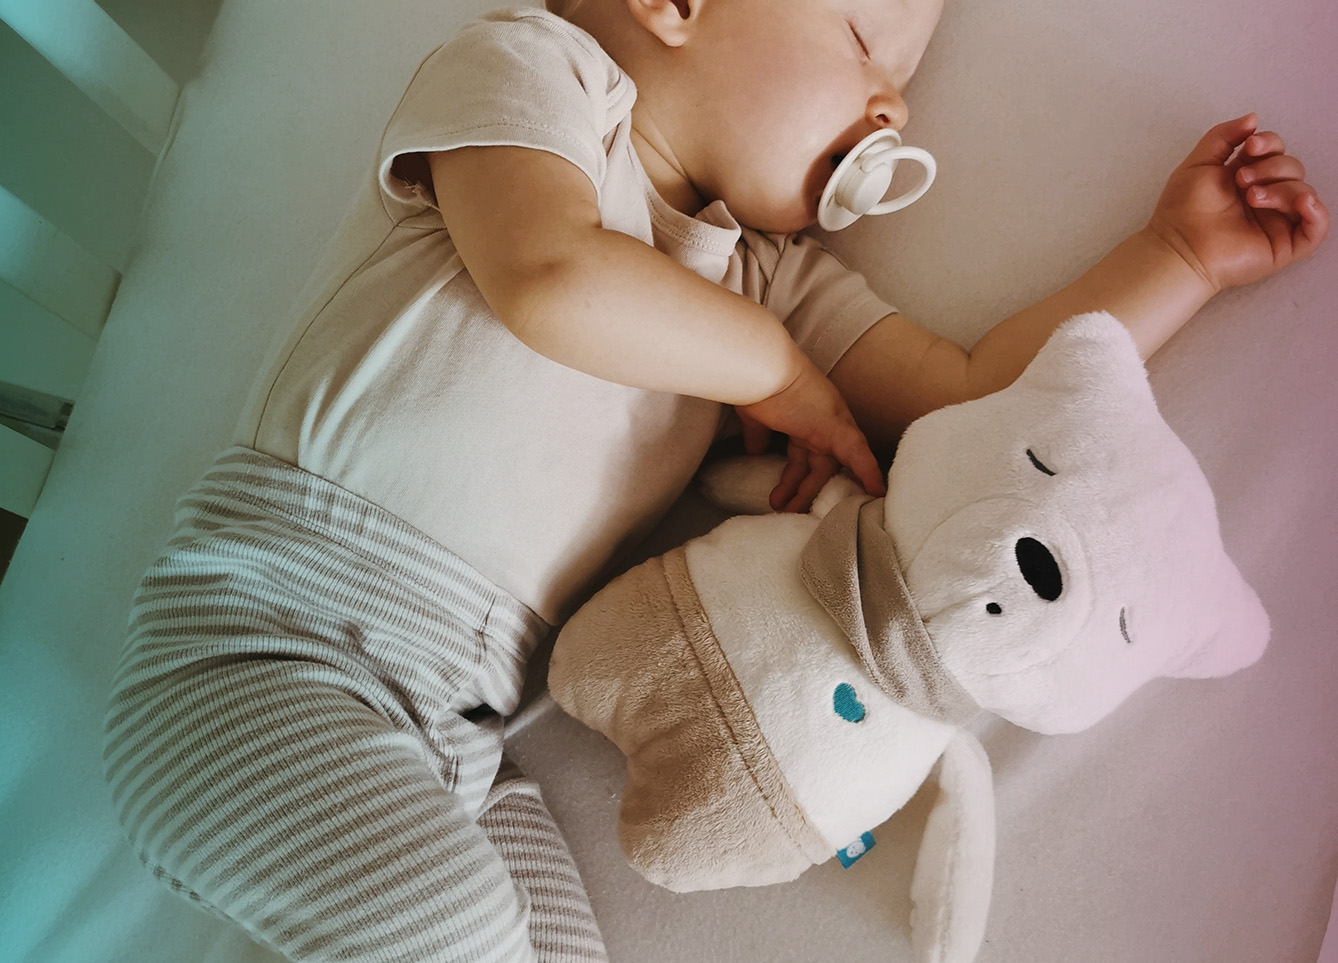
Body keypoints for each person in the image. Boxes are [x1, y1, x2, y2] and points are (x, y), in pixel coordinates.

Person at [102, 0, 1328, 960]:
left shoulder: (767, 278)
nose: (895, 98)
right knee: (458, 941)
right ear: (671, 3)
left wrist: (1174, 259)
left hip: (454, 740)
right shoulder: (537, 81)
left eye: (905, 76)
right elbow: (549, 275)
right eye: (862, 40)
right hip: (259, 660)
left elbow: (973, 401)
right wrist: (779, 375)